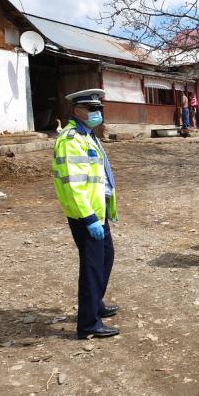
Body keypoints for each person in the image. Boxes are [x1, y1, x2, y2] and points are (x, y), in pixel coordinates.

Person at [52, 89, 120, 339]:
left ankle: (96, 304)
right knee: (91, 266)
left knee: (106, 257)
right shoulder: (71, 140)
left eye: (98, 109)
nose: (97, 113)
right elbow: (73, 183)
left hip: (97, 211)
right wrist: (89, 218)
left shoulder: (87, 136)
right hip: (86, 215)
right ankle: (88, 324)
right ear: (77, 111)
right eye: (92, 109)